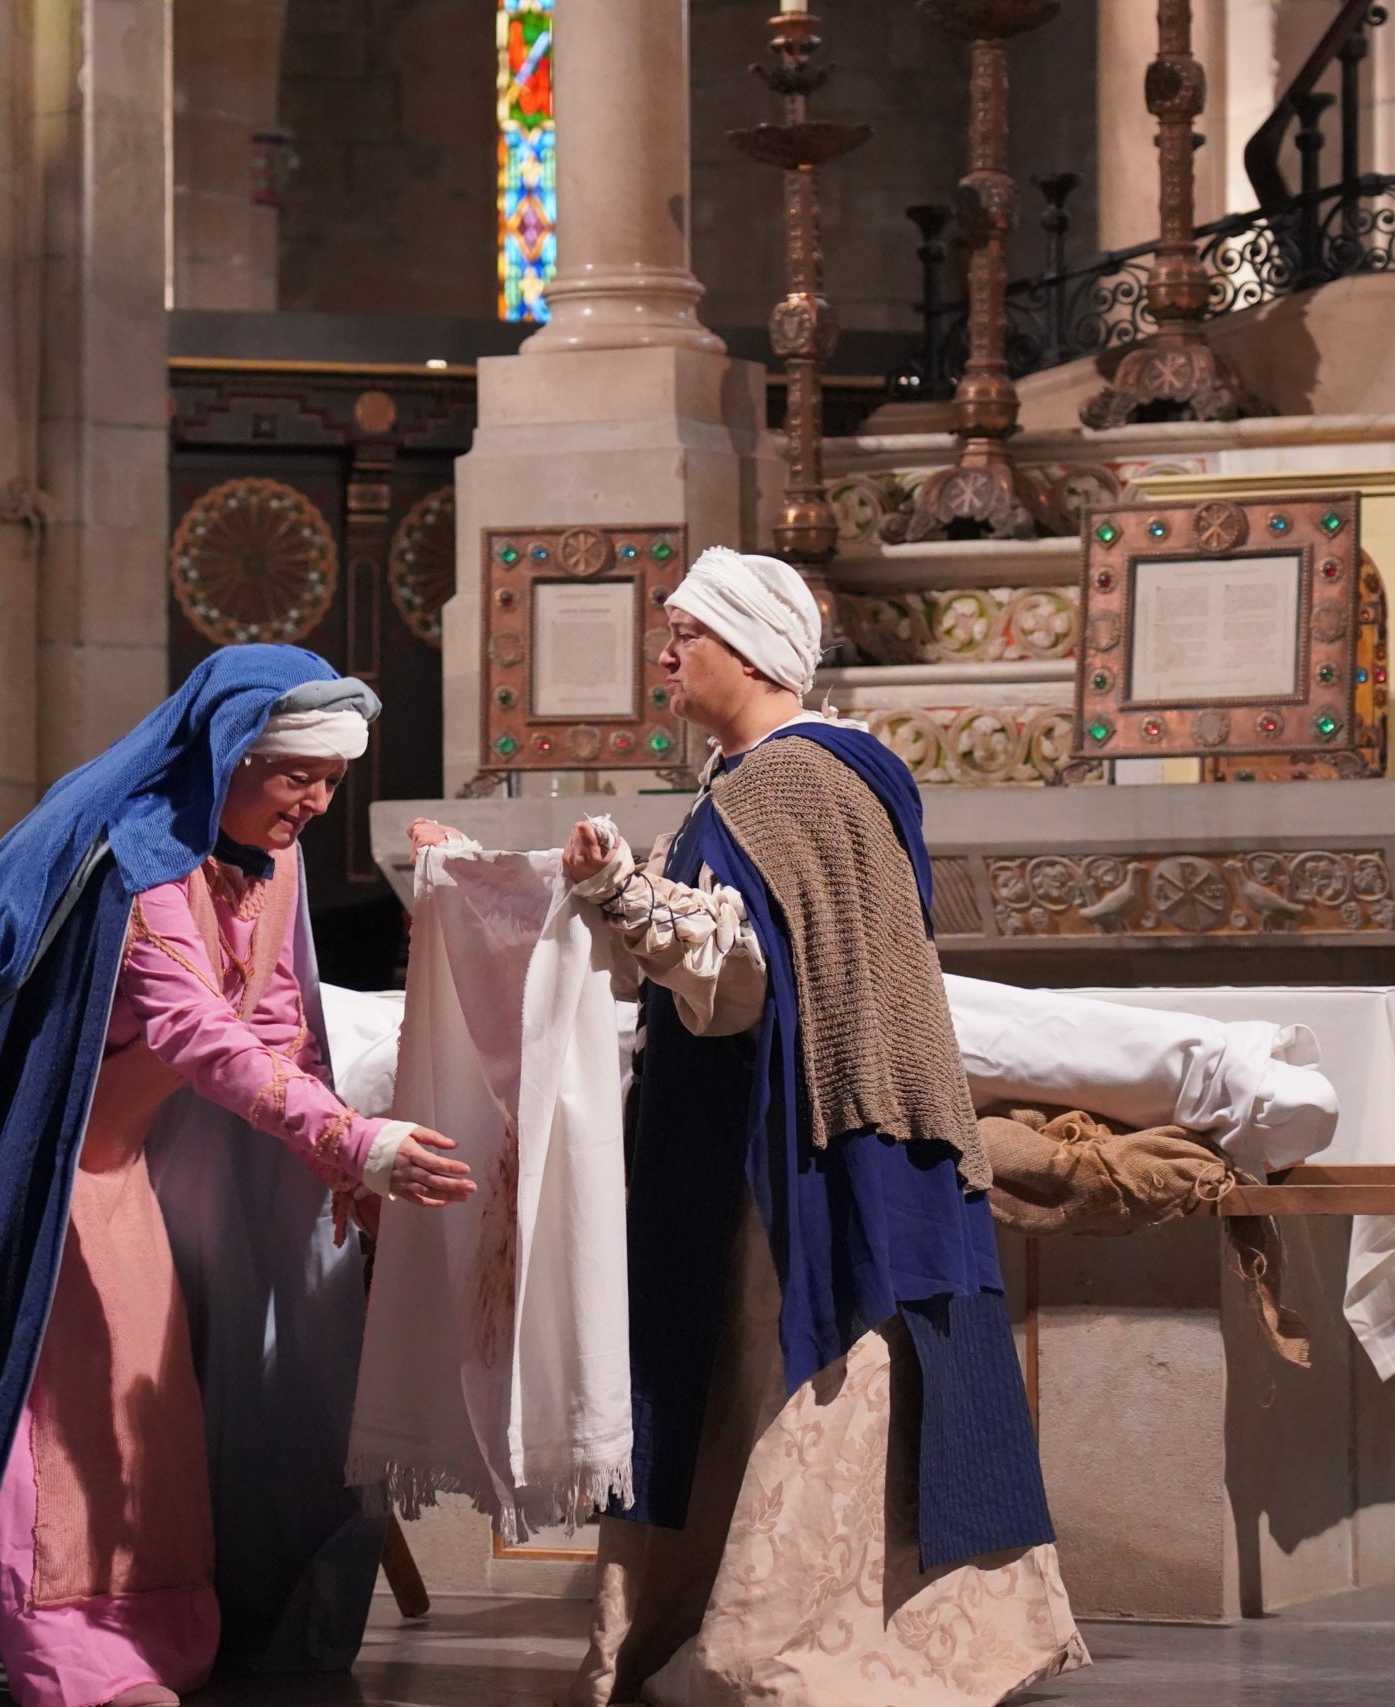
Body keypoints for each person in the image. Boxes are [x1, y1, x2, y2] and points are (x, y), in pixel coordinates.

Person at [413, 546, 1084, 1706]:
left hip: (807, 1145)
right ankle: (909, 1633)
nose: (664, 654)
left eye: (686, 635)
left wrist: (621, 893)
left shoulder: (787, 785)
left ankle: (787, 1645)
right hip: (839, 1136)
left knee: (807, 1378)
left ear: (752, 653)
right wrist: (519, 879)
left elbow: (738, 980)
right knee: (765, 1373)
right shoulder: (822, 777)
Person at [0, 645, 475, 1707]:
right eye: (294, 772)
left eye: (331, 779)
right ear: (228, 754)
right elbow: (201, 1036)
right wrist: (359, 1146)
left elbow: (272, 1025)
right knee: (53, 1435)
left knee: (144, 1419)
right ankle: (68, 1654)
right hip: (25, 1182)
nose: (313, 799)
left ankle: (150, 1636)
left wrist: (334, 1144)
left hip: (115, 1176)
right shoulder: (141, 863)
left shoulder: (270, 862)